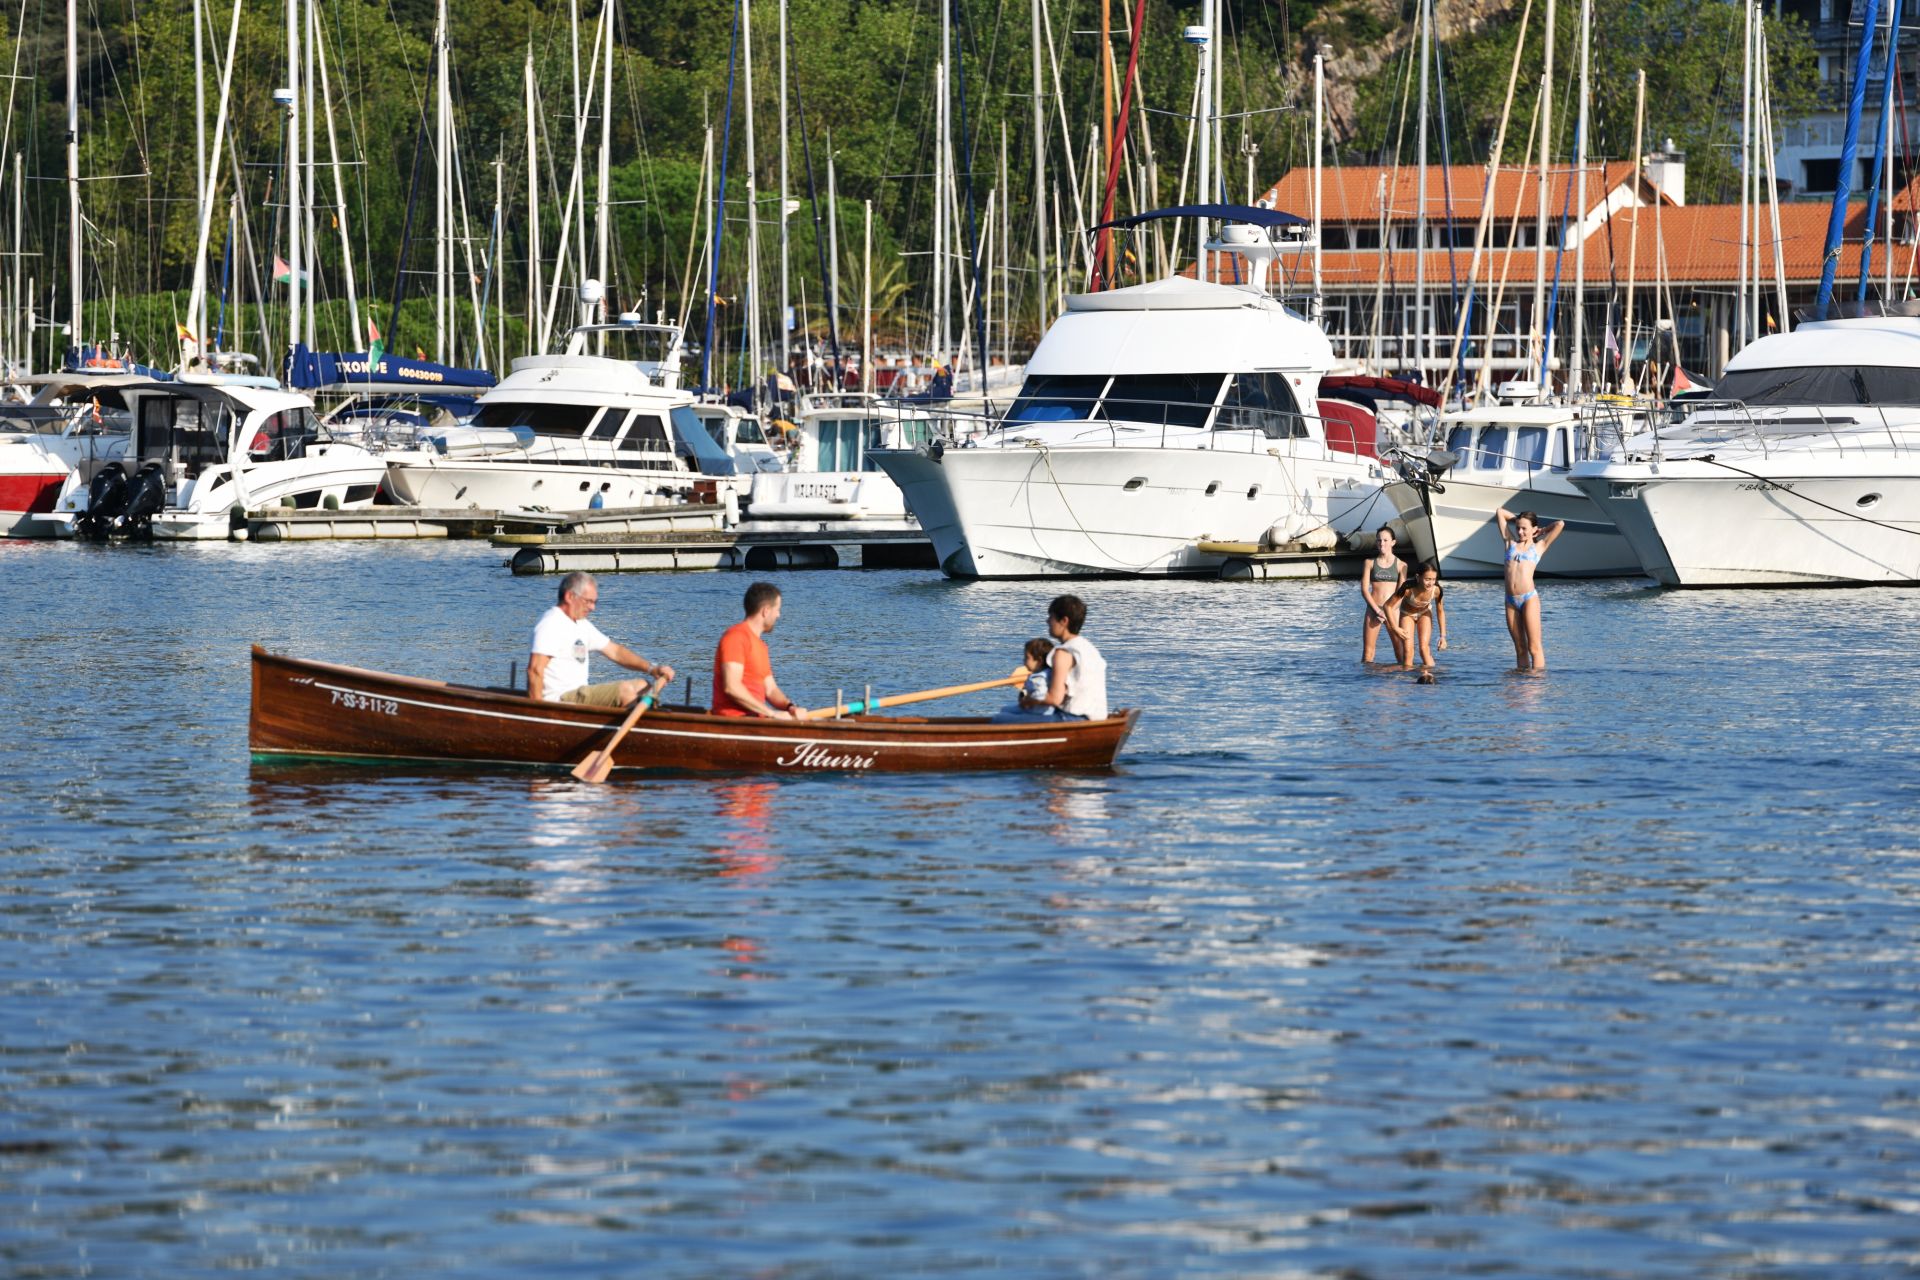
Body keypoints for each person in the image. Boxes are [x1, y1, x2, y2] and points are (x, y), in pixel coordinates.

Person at [527, 571, 675, 706]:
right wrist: (538, 712)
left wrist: (652, 668)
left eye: (594, 602)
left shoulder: (582, 625)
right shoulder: (552, 623)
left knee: (643, 687)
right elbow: (535, 670)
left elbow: (616, 652)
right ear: (570, 596)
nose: (593, 608)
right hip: (559, 700)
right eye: (588, 601)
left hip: (579, 695)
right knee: (628, 690)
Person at [713, 581, 808, 719]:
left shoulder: (761, 646)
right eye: (777, 609)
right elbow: (731, 687)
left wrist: (790, 707)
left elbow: (770, 689)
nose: (778, 615)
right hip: (735, 721)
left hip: (756, 719)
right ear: (766, 611)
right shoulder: (736, 637)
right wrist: (771, 713)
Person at [1497, 507, 1565, 670]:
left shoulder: (1539, 547)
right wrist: (1518, 519)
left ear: (1533, 529)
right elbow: (1500, 512)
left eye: (1524, 528)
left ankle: (1536, 684)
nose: (1520, 532)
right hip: (1510, 601)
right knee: (1520, 648)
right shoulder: (1509, 542)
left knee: (1533, 647)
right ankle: (1523, 684)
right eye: (1518, 528)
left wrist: (1542, 530)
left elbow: (1560, 524)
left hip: (1528, 599)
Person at [1025, 594, 1107, 721]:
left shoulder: (1063, 653)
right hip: (1098, 718)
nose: (1047, 621)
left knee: (1001, 717)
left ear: (1064, 621)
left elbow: (1055, 698)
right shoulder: (1089, 648)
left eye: (1051, 617)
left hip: (1073, 718)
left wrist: (1028, 700)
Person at [1387, 560, 1448, 670]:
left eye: (1433, 579)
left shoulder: (1437, 590)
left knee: (1424, 649)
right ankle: (1407, 680)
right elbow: (1388, 606)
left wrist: (1443, 636)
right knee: (1408, 651)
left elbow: (1440, 612)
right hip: (1407, 614)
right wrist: (1395, 628)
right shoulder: (1407, 589)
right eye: (1427, 579)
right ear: (1418, 577)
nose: (1430, 583)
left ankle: (1431, 678)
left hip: (1424, 613)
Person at [1359, 525, 1407, 664]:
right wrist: (1378, 611)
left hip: (1393, 611)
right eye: (1379, 540)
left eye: (1385, 540)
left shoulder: (1401, 565)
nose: (1382, 543)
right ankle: (1365, 683)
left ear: (1393, 542)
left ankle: (1401, 681)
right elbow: (1364, 590)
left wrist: (1388, 611)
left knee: (1400, 651)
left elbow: (1401, 592)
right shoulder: (1369, 563)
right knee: (1368, 653)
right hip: (1374, 609)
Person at [994, 638, 1058, 722]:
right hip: (1046, 712)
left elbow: (1040, 696)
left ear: (1039, 661)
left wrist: (1027, 701)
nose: (1024, 662)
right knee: (1005, 709)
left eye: (1027, 658)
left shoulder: (1038, 678)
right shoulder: (1050, 672)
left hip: (1037, 714)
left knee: (999, 718)